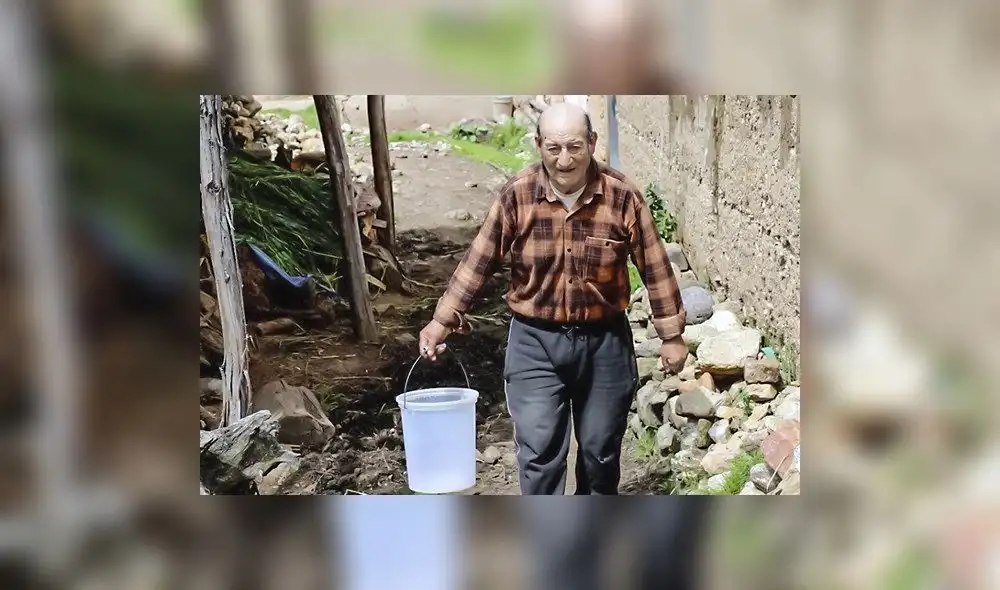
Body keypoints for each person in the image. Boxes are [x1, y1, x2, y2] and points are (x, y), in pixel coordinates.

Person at [418, 102, 686, 495]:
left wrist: (671, 335)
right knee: (540, 454)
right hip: (535, 343)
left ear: (593, 143)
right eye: (554, 147)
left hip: (604, 342)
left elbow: (655, 264)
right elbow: (480, 259)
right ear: (538, 144)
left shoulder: (623, 197)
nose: (564, 160)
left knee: (600, 453)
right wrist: (443, 320)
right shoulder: (518, 196)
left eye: (575, 147)